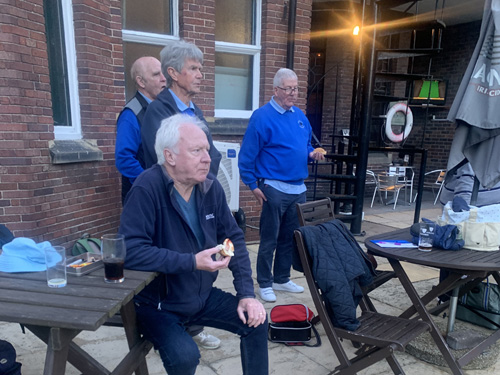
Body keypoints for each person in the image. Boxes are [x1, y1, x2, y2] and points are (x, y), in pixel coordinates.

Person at [119, 114, 268, 375]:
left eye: (207, 150)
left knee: (257, 321)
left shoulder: (210, 187)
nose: (207, 158)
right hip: (159, 306)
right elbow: (130, 251)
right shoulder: (146, 188)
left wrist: (246, 294)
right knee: (186, 356)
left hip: (201, 296)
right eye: (196, 150)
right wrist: (191, 261)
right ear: (170, 156)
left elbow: (235, 239)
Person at [238, 68, 325, 303]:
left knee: (290, 237)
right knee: (269, 238)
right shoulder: (261, 117)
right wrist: (252, 184)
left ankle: (281, 278)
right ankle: (265, 282)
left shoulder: (300, 117)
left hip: (298, 188)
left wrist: (312, 153)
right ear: (275, 90)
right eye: (288, 88)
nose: (293, 93)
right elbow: (247, 155)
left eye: (296, 88)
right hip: (273, 187)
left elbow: (305, 145)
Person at [141, 39, 221, 174]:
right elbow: (163, 160)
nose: (200, 75)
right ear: (173, 73)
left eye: (200, 69)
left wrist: (204, 184)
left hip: (199, 191)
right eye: (193, 69)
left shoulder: (196, 112)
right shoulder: (157, 111)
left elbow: (213, 155)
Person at [115, 56, 166, 204]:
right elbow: (124, 159)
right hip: (143, 198)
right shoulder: (131, 114)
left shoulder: (162, 109)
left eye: (163, 74)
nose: (164, 79)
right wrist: (150, 184)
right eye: (156, 74)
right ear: (141, 81)